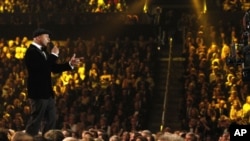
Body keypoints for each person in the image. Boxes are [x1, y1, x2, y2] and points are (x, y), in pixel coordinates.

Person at [24, 28, 82, 136]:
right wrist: (54, 55)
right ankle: (27, 139)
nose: (49, 39)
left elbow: (53, 68)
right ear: (37, 37)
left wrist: (69, 64)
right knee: (36, 120)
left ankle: (47, 139)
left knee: (51, 119)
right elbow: (42, 69)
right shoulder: (31, 52)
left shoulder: (44, 51)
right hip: (38, 92)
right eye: (47, 36)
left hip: (47, 93)